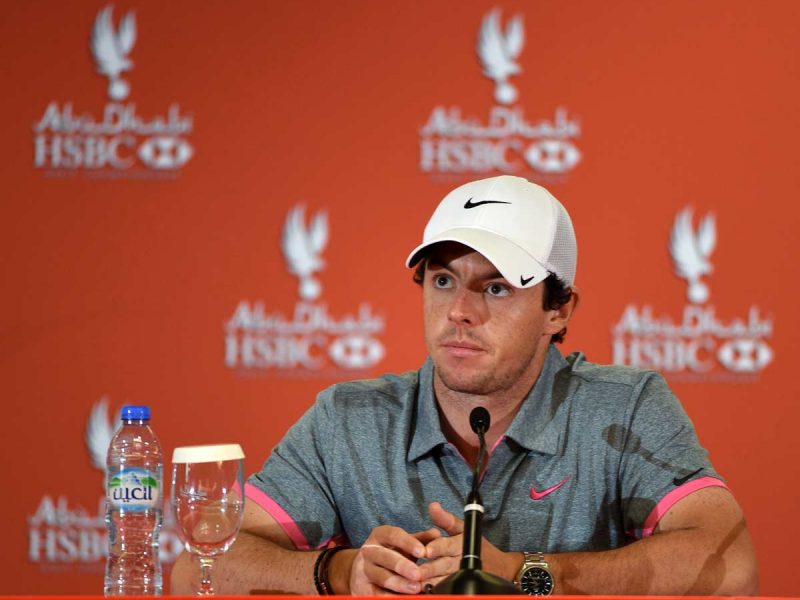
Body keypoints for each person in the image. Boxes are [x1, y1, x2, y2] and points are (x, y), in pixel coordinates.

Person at [172, 175, 758, 596]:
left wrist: (527, 573)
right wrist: (337, 572)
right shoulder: (348, 419)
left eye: (497, 288)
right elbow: (197, 567)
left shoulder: (623, 408)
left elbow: (731, 567)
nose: (460, 311)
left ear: (558, 310)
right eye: (444, 280)